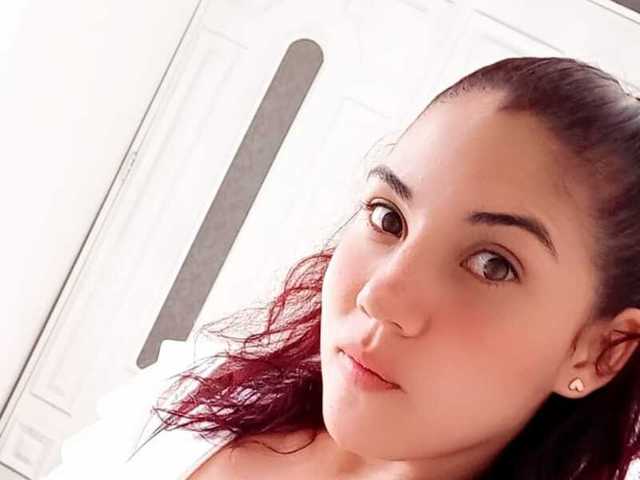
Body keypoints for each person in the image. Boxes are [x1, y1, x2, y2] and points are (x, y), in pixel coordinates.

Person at [51, 56, 640, 479]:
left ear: (601, 352)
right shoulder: (196, 397)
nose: (379, 296)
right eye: (388, 218)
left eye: (492, 265)